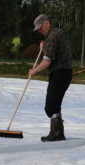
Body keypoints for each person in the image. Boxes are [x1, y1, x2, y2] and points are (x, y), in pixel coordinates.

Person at [28, 14, 73, 142]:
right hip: (65, 72)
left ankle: (57, 133)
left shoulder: (52, 37)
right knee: (54, 104)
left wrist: (34, 71)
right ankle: (56, 133)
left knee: (51, 105)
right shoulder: (58, 32)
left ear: (47, 24)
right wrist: (45, 47)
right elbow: (55, 52)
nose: (39, 31)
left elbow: (47, 61)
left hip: (59, 73)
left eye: (40, 28)